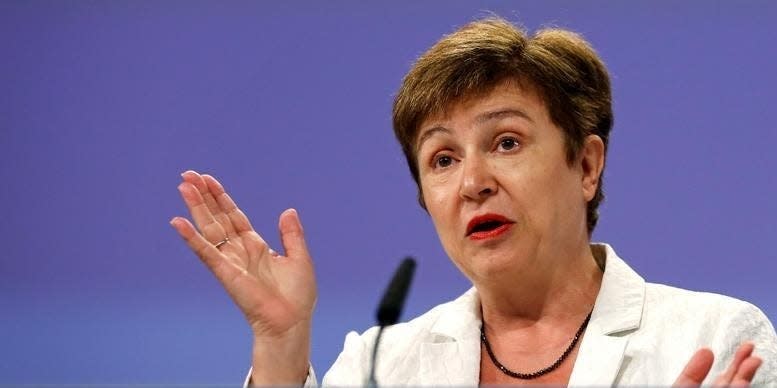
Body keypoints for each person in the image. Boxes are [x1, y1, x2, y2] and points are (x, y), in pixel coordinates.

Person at [170, 17, 776, 386]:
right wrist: (280, 344)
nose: (472, 182)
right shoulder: (382, 366)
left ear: (586, 165)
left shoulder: (716, 338)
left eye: (506, 142)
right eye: (442, 158)